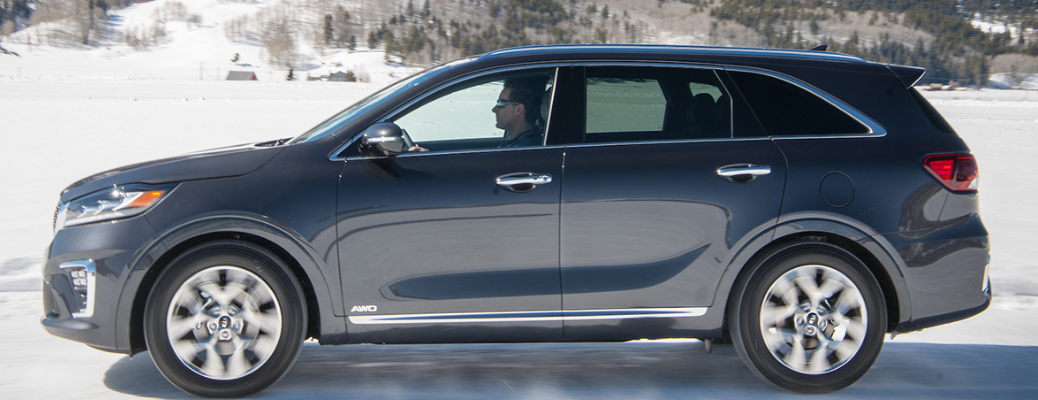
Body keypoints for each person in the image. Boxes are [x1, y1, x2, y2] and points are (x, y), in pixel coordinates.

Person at [494, 78, 545, 148]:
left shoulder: (524, 149)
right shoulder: (519, 144)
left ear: (519, 109)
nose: (494, 109)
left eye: (501, 103)